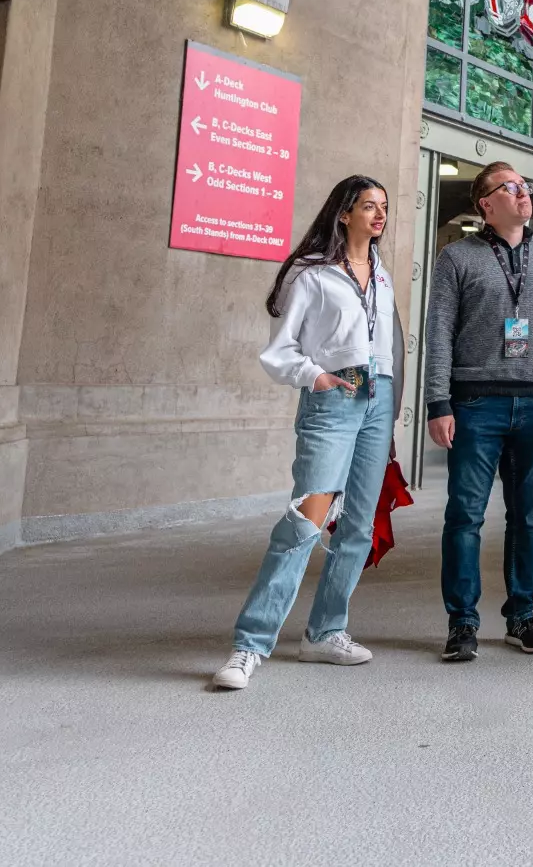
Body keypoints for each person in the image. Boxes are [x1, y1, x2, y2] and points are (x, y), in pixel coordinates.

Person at [214, 175, 401, 691]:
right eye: (368, 206)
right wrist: (316, 377)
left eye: (383, 206)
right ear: (344, 213)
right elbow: (281, 350)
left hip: (376, 400)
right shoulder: (312, 274)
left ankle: (325, 633)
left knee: (359, 527)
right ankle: (249, 645)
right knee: (305, 523)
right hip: (333, 400)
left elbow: (387, 349)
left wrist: (391, 407)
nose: (379, 215)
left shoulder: (381, 276)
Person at [425, 162, 533, 662]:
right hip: (475, 403)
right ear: (486, 204)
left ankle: (521, 615)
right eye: (511, 187)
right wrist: (438, 402)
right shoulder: (456, 258)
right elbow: (440, 334)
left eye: (526, 187)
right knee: (465, 515)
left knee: (528, 517)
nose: (524, 194)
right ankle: (462, 623)